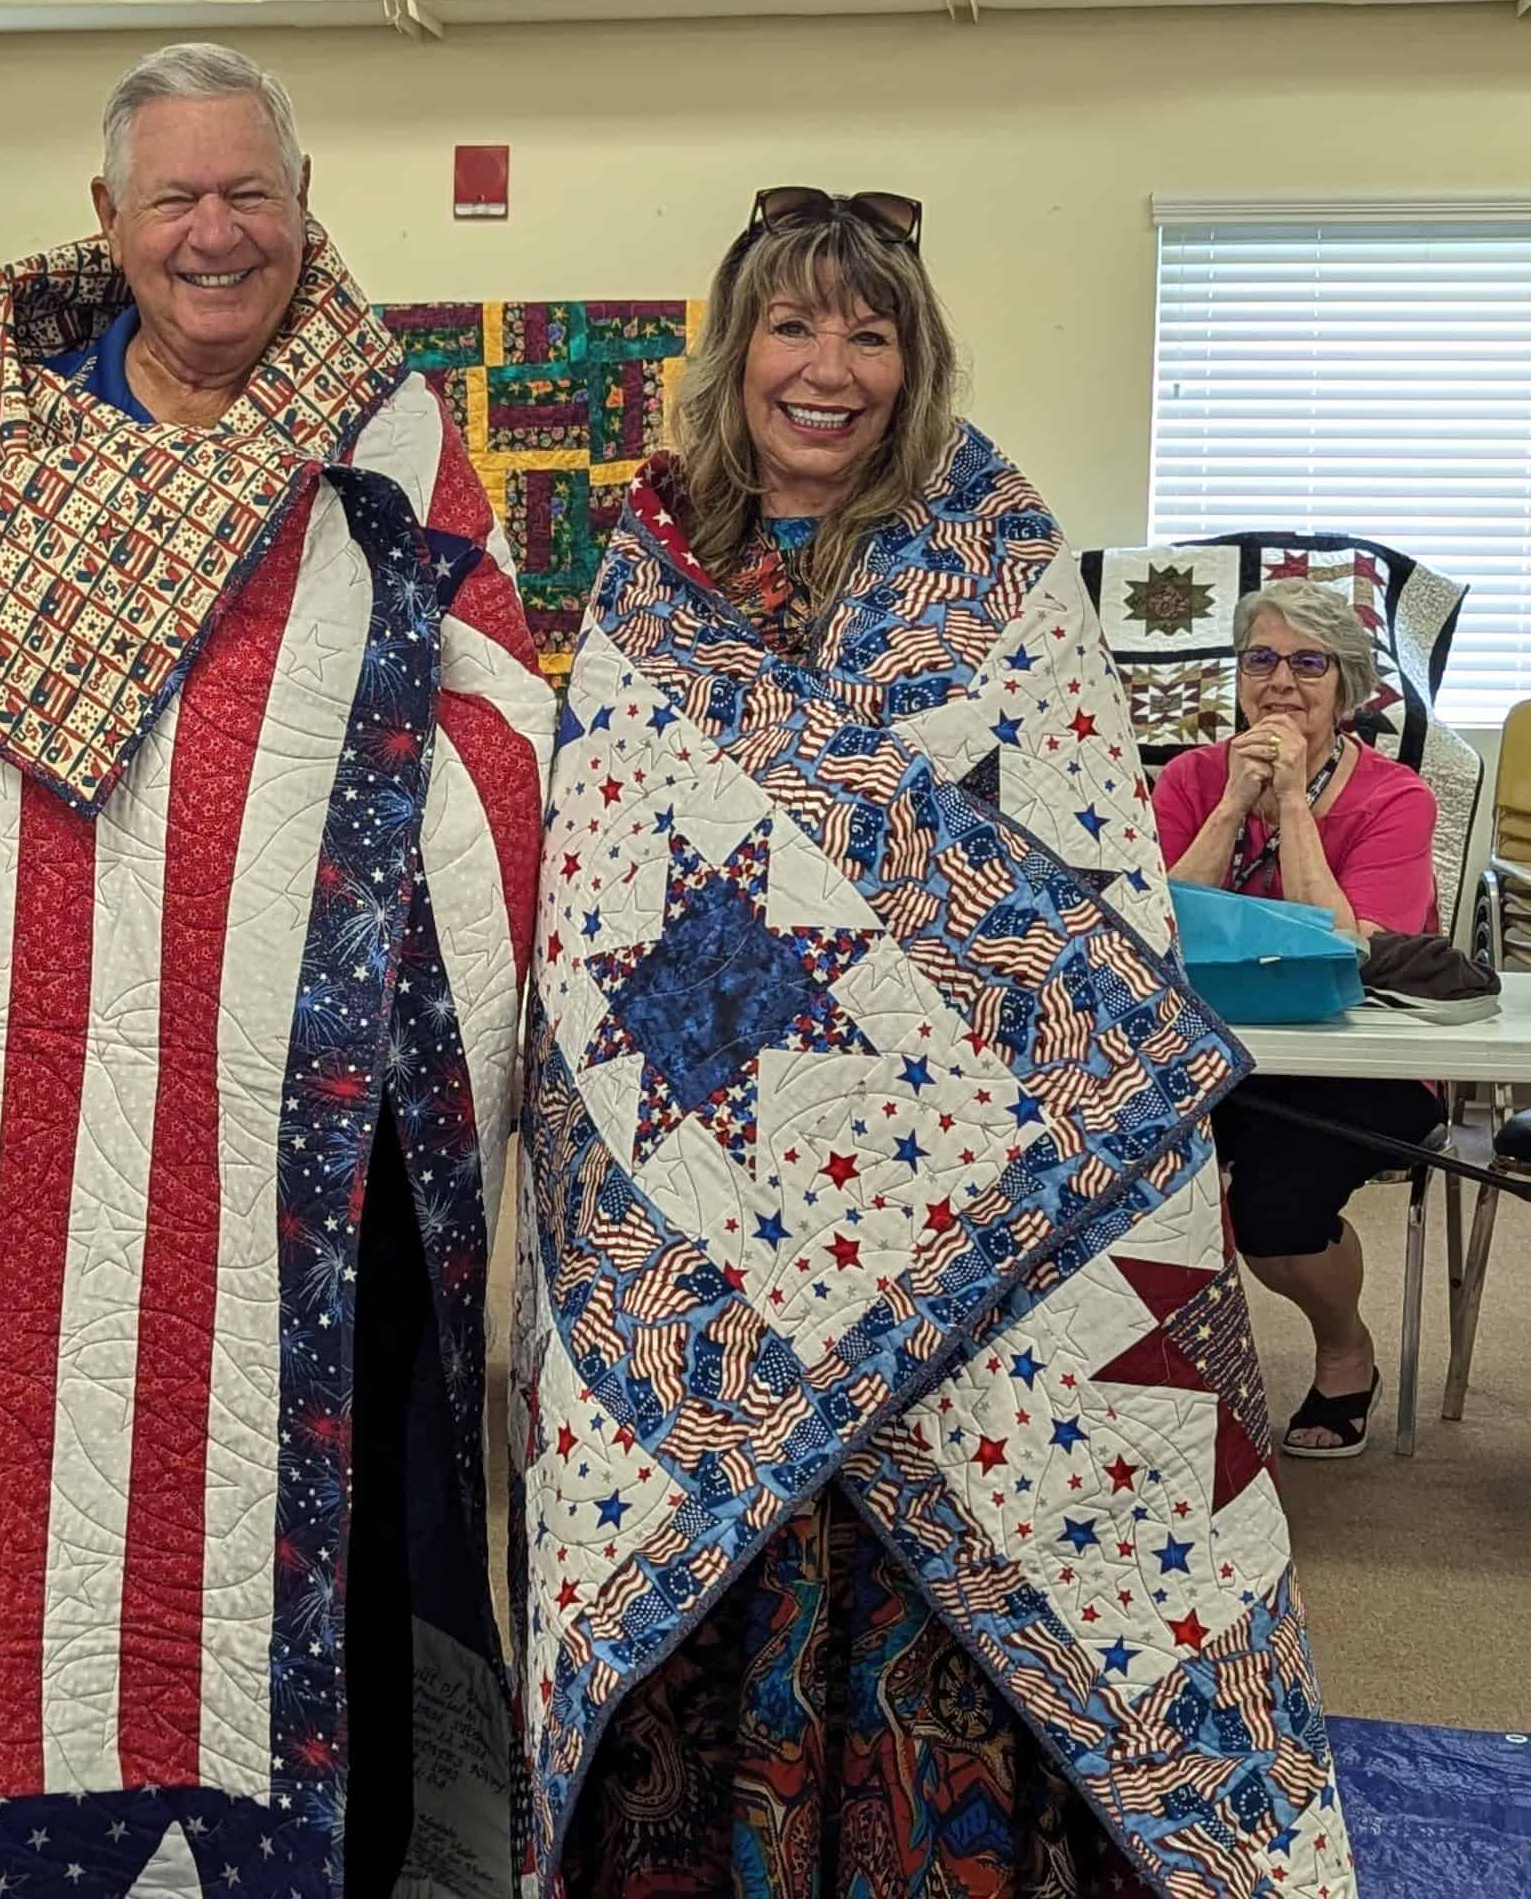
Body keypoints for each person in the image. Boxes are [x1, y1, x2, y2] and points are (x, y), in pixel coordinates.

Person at [516, 190, 1353, 1898]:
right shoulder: (651, 576)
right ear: (735, 346)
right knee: (738, 1554)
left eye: (870, 333)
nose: (828, 369)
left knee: (957, 1557)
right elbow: (595, 904)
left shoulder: (992, 568)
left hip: (969, 1209)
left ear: (916, 361)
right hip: (719, 1185)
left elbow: (1083, 890)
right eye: (794, 326)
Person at [0, 43, 552, 1899]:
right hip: (64, 1095)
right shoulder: (10, 458)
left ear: (304, 202)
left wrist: (327, 889)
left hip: (336, 1103)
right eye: (174, 197)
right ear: (108, 220)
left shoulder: (390, 446)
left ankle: (346, 1853)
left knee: (336, 1487)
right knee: (67, 1474)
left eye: (248, 192)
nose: (214, 232)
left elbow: (497, 716)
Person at [1156, 578, 1442, 1457]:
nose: (1281, 682)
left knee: (1274, 1220)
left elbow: (1349, 946)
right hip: (1218, 1050)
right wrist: (1234, 804)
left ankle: (1345, 1347)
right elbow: (1155, 928)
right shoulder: (1190, 778)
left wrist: (1290, 806)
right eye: (1261, 660)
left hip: (1355, 1061)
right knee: (1116, 1186)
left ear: (1346, 686)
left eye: (1308, 663)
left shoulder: (1395, 798)